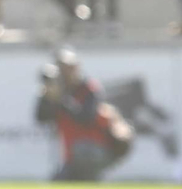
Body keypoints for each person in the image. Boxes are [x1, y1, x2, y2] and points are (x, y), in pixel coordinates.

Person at [35, 50, 133, 181]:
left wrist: (61, 99)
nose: (64, 72)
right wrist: (47, 98)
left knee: (83, 153)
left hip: (96, 149)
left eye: (67, 68)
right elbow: (41, 118)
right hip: (72, 157)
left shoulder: (89, 89)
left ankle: (92, 179)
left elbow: (86, 118)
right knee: (59, 183)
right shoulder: (59, 91)